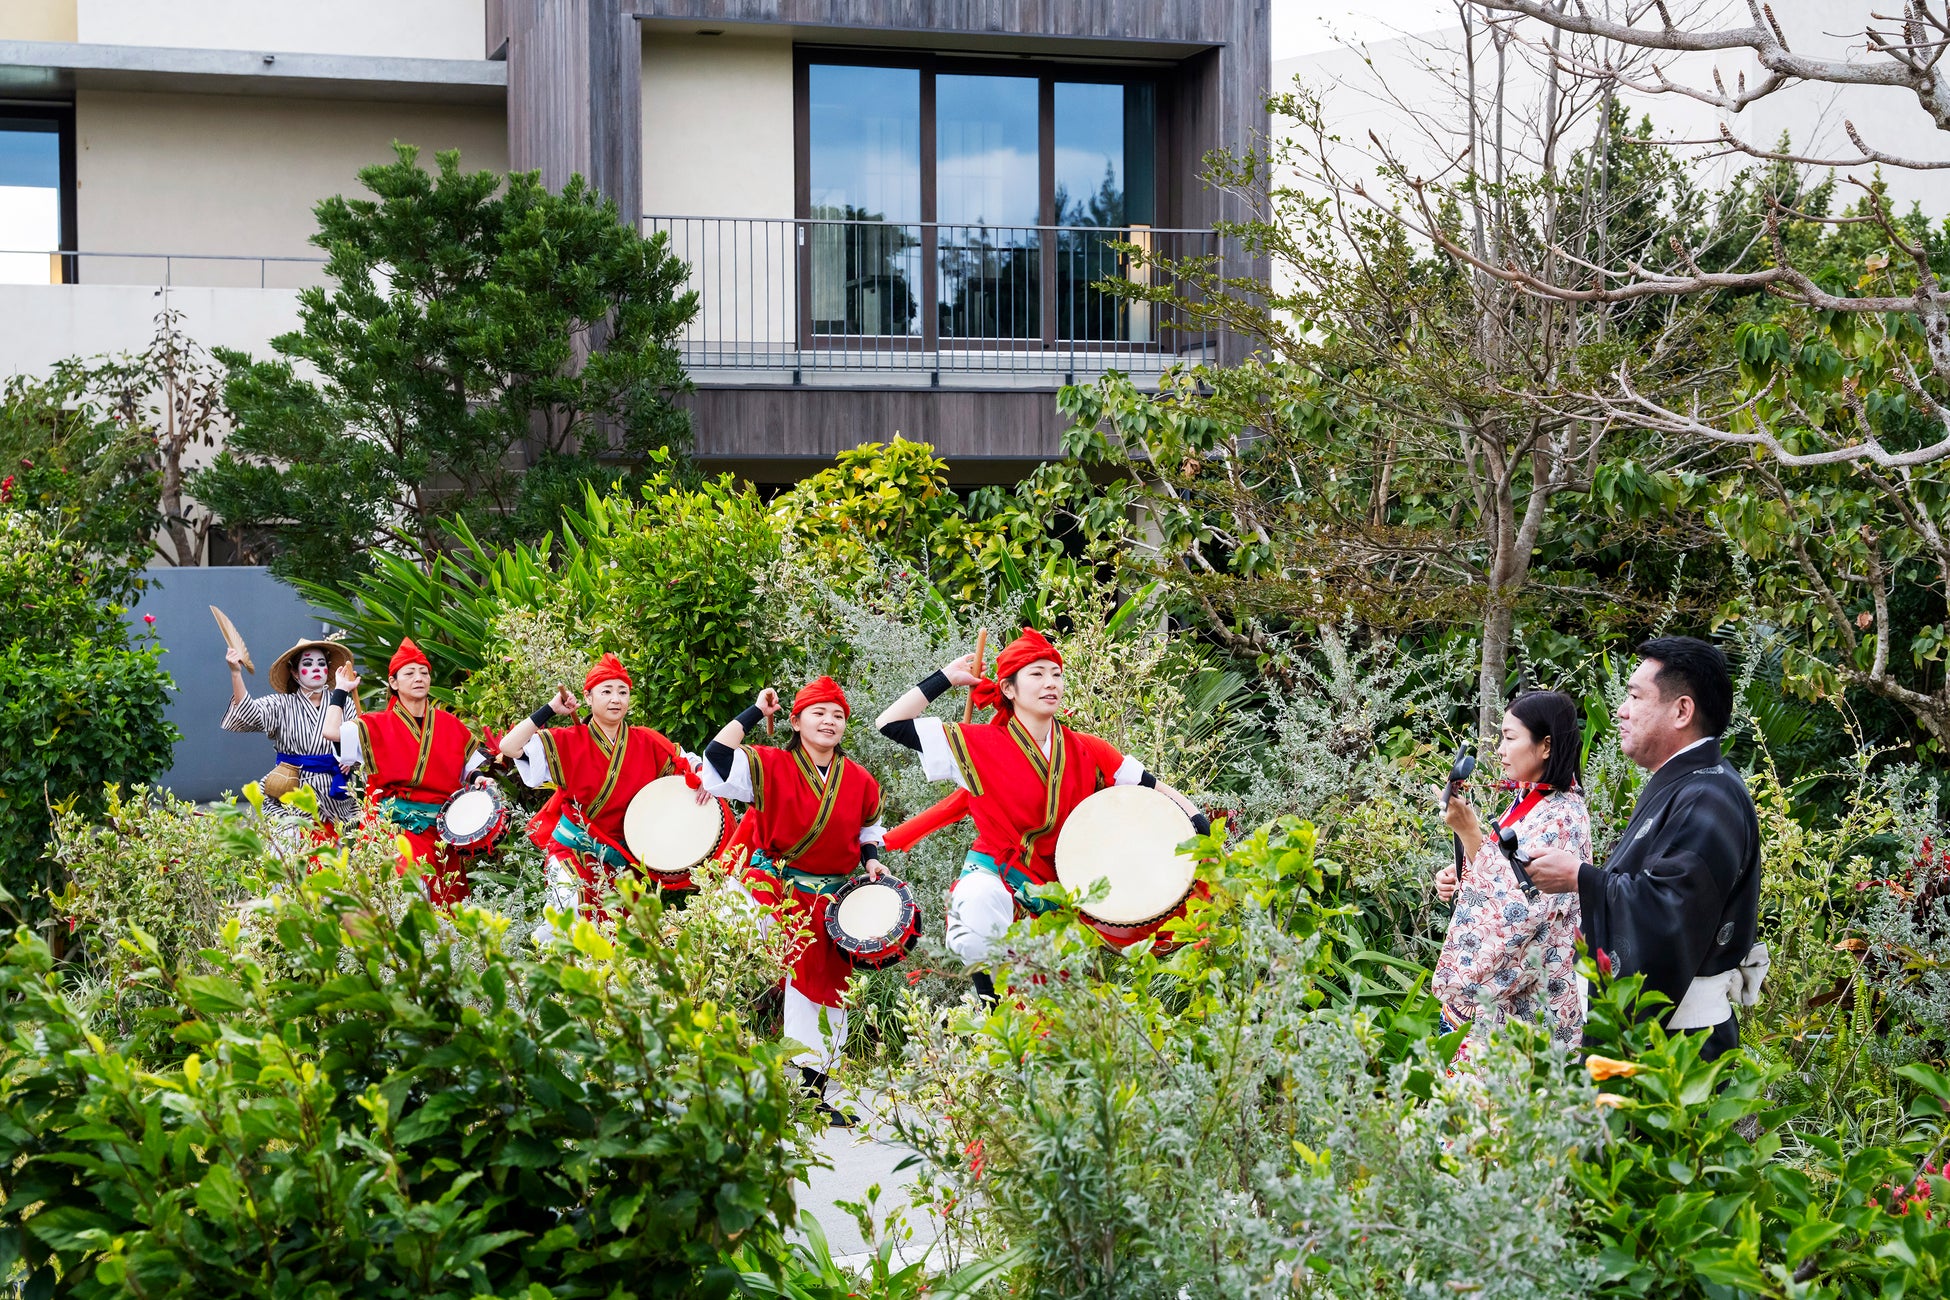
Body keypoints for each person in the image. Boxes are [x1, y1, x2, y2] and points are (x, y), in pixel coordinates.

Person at [875, 627, 1209, 1005]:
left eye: (1056, 674)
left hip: (1061, 886)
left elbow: (1151, 786)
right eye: (1036, 674)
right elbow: (889, 723)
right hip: (997, 871)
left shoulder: (1087, 748)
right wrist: (945, 679)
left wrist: (1196, 821)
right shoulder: (977, 743)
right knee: (976, 909)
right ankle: (990, 1009)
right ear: (1008, 689)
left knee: (1049, 998)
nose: (1050, 683)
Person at [1525, 637, 1765, 1060]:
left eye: (1635, 696)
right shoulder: (1691, 783)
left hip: (1679, 1049)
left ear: (1681, 711)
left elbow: (1670, 908)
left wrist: (1581, 878)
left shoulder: (1709, 794)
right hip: (1671, 1038)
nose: (1621, 710)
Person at [698, 677, 887, 1126]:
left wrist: (873, 862)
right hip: (771, 884)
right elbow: (717, 757)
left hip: (826, 897)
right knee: (731, 951)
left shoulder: (860, 780)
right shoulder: (770, 764)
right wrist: (753, 712)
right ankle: (707, 1059)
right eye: (818, 713)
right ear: (797, 721)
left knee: (824, 992)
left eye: (837, 715)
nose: (829, 721)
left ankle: (810, 1095)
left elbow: (868, 831)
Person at [1432, 690, 1591, 1050]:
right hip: (1505, 1006)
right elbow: (1502, 871)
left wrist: (1469, 832)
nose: (1500, 750)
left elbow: (1522, 909)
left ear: (1546, 746)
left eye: (1509, 738)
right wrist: (1459, 874)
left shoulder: (1561, 817)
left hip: (1526, 1010)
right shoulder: (1534, 801)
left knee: (1500, 1105)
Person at [496, 653, 706, 921]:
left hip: (624, 858)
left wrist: (701, 781)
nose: (616, 699)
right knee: (570, 919)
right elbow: (508, 747)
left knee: (628, 939)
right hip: (574, 850)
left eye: (623, 692)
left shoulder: (647, 741)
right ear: (588, 697)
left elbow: (690, 765)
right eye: (606, 691)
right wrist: (550, 709)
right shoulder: (569, 740)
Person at [324, 637, 487, 905]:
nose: (419, 678)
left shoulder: (450, 724)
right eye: (409, 673)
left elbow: (467, 771)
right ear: (394, 683)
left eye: (424, 672)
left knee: (448, 903)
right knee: (413, 891)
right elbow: (331, 731)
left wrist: (479, 778)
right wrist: (341, 690)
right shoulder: (375, 724)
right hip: (397, 825)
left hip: (442, 829)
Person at [221, 638, 360, 831]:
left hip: (336, 796)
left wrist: (350, 757)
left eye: (321, 664)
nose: (316, 668)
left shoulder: (343, 701)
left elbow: (361, 740)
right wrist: (236, 673)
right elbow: (248, 714)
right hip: (293, 791)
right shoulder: (281, 704)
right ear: (295, 673)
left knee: (342, 855)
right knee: (295, 854)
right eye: (308, 663)